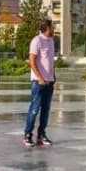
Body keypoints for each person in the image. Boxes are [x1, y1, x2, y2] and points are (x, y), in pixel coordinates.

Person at [24, 17, 57, 148]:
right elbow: (32, 61)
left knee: (46, 110)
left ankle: (41, 135)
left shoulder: (51, 41)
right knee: (34, 109)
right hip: (38, 82)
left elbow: (50, 61)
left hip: (49, 81)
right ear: (46, 28)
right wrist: (39, 77)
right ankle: (27, 135)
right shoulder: (36, 41)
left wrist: (53, 75)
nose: (53, 29)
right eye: (52, 27)